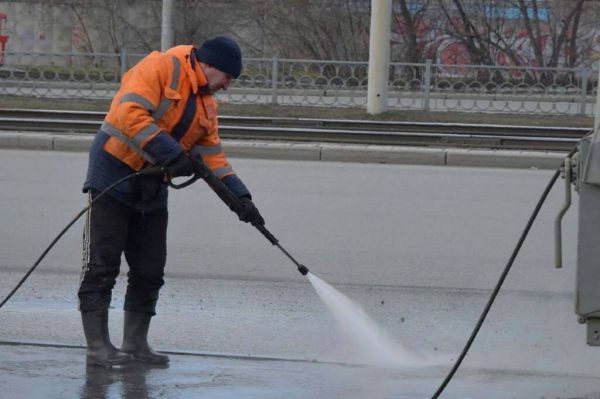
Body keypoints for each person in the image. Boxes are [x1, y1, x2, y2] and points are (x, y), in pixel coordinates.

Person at [78, 36, 264, 367]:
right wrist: (172, 153)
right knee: (102, 266)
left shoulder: (206, 104)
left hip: (151, 185)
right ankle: (98, 348)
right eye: (227, 79)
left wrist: (240, 197)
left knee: (150, 268)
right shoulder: (160, 67)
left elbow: (212, 157)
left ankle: (135, 344)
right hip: (113, 175)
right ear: (210, 66)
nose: (227, 88)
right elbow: (128, 114)